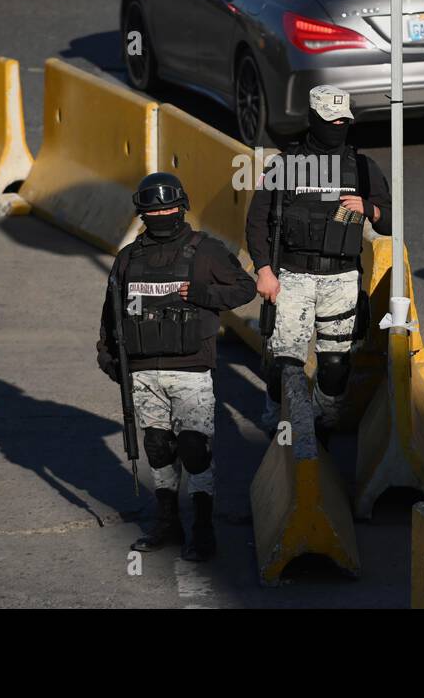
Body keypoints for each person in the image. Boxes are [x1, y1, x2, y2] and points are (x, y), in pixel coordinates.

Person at [97, 172, 257, 561]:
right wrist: (108, 356)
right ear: (142, 214)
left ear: (182, 208)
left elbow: (245, 288)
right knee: (156, 446)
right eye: (155, 210)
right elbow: (111, 312)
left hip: (191, 369)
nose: (163, 214)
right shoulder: (128, 258)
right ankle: (168, 523)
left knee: (194, 449)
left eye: (169, 208)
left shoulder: (206, 251)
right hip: (143, 371)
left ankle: (203, 529)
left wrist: (202, 294)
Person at [245, 85, 392, 437]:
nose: (338, 125)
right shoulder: (284, 164)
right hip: (292, 278)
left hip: (341, 280)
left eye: (344, 120)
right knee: (284, 364)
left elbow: (391, 220)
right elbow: (256, 221)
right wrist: (264, 271)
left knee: (335, 364)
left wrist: (370, 210)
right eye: (331, 119)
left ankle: (323, 424)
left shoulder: (362, 167)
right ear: (313, 119)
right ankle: (277, 422)